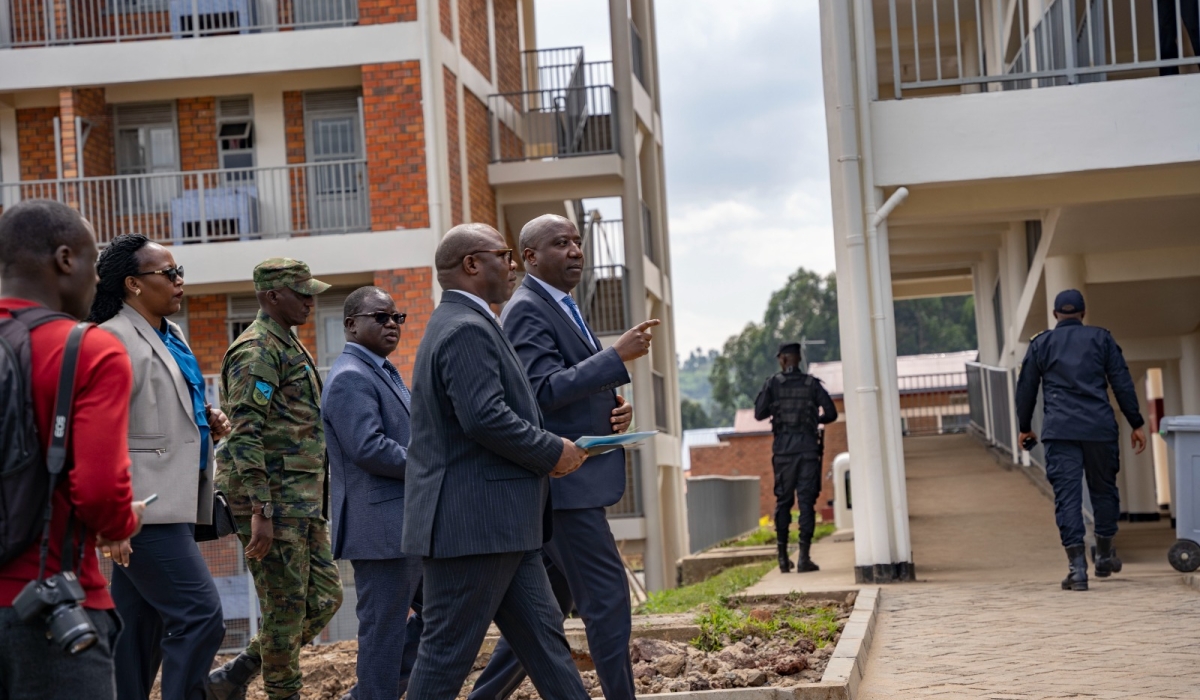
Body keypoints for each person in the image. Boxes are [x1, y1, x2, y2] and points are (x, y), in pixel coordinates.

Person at [470, 214, 658, 700]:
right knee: (609, 600)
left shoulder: (562, 304)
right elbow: (539, 391)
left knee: (544, 612)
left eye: (578, 241)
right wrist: (616, 356)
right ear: (530, 257)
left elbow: (570, 383)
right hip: (561, 486)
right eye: (561, 243)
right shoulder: (528, 309)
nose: (576, 250)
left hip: (571, 484)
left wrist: (613, 411)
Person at [402, 223, 591, 700]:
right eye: (504, 255)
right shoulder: (465, 328)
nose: (512, 265)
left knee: (547, 647)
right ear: (471, 264)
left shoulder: (473, 322)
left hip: (502, 526)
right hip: (474, 528)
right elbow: (485, 418)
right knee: (444, 658)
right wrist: (553, 452)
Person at [0, 200, 145, 699]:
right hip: (54, 610)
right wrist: (125, 521)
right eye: (93, 262)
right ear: (65, 259)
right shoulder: (90, 349)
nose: (98, 281)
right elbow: (103, 498)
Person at [87, 234, 231, 700]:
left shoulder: (173, 335)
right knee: (201, 614)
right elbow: (101, 432)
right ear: (132, 284)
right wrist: (116, 511)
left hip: (177, 498)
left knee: (138, 628)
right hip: (144, 507)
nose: (179, 281)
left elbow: (166, 408)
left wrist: (206, 420)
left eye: (179, 271)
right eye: (167, 274)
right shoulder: (111, 338)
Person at [208, 258, 343, 700]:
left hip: (302, 500)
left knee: (325, 599)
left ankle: (239, 670)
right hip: (273, 503)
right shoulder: (256, 350)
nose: (309, 300)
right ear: (270, 296)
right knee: (283, 613)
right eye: (300, 293)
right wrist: (262, 510)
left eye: (310, 292)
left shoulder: (287, 342)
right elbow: (245, 433)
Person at [321, 286, 423, 700]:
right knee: (383, 631)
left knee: (445, 615)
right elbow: (369, 448)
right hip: (380, 531)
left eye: (396, 318)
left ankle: (377, 693)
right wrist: (431, 465)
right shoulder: (350, 377)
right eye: (379, 317)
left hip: (405, 526)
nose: (391, 325)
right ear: (351, 325)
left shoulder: (380, 370)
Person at [1016, 289, 1146, 592]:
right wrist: (1136, 423)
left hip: (1060, 432)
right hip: (1099, 429)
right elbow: (1122, 382)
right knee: (1103, 490)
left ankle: (1077, 570)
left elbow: (1026, 389)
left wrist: (1025, 427)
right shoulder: (1102, 339)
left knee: (1068, 498)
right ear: (1084, 314)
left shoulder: (1041, 344)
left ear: (1055, 315)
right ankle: (1103, 555)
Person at [754, 342, 838, 574]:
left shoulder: (772, 384)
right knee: (807, 503)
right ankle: (804, 559)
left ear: (782, 359)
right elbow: (831, 413)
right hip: (808, 450)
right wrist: (812, 421)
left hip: (783, 452)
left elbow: (759, 413)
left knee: (783, 502)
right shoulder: (812, 384)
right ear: (798, 359)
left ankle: (782, 559)